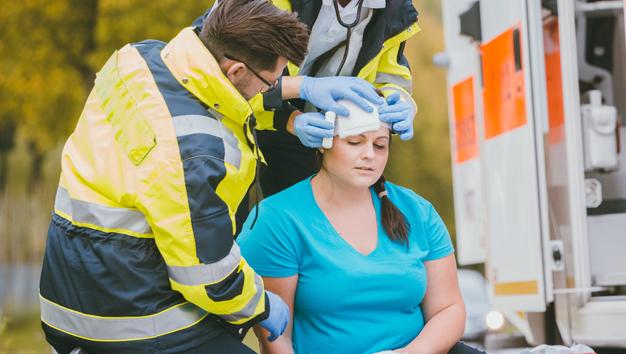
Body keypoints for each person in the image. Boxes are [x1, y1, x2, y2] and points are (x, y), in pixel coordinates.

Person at [38, 1, 383, 353]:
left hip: (69, 284)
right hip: (129, 315)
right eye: (271, 82)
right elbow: (210, 278)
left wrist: (294, 105)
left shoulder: (140, 58)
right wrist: (261, 305)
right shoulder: (194, 151)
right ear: (234, 71)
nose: (273, 90)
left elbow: (224, 98)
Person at [237, 101, 483, 354]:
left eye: (380, 145)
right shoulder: (278, 219)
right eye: (354, 142)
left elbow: (449, 308)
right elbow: (276, 339)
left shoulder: (418, 212)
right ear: (323, 142)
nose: (369, 155)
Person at [196, 0, 419, 198]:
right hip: (234, 121)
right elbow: (226, 80)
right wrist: (292, 110)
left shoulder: (394, 8)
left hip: (320, 134)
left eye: (379, 146)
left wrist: (400, 101)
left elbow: (391, 74)